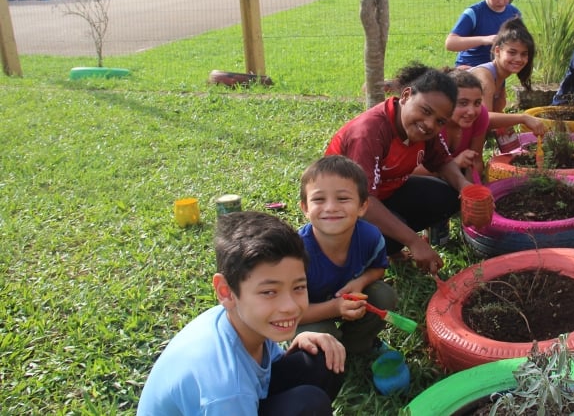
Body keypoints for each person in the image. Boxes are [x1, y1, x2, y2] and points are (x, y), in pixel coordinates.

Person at [137, 211, 346, 416]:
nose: (289, 306)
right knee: (309, 405)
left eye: (298, 287)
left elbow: (264, 368)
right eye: (269, 292)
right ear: (225, 291)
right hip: (226, 402)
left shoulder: (243, 320)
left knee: (322, 359)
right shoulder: (225, 389)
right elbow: (230, 388)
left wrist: (301, 338)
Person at [325, 67, 472, 275]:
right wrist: (413, 241)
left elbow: (442, 161)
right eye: (425, 111)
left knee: (447, 196)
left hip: (384, 194)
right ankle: (359, 259)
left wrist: (465, 186)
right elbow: (362, 202)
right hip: (344, 210)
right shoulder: (368, 133)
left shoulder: (425, 132)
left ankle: (391, 246)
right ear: (405, 96)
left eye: (440, 121)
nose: (429, 124)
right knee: (393, 234)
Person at [295, 155, 398, 355]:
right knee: (318, 342)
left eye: (343, 198)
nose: (331, 207)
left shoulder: (370, 237)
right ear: (305, 208)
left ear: (362, 206)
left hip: (347, 304)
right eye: (318, 199)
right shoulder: (294, 254)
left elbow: (378, 268)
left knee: (383, 295)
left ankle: (356, 346)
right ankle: (330, 351)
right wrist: (335, 308)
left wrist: (361, 281)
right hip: (308, 316)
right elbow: (286, 313)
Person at [469, 18, 548, 137]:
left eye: (524, 54)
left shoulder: (500, 77)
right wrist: (523, 118)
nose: (518, 59)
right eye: (512, 52)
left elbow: (495, 114)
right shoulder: (485, 76)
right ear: (497, 51)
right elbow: (484, 118)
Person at [446, 0, 522, 69]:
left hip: (497, 70)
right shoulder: (473, 13)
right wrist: (484, 40)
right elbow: (450, 43)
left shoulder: (514, 14)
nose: (501, 1)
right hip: (469, 69)